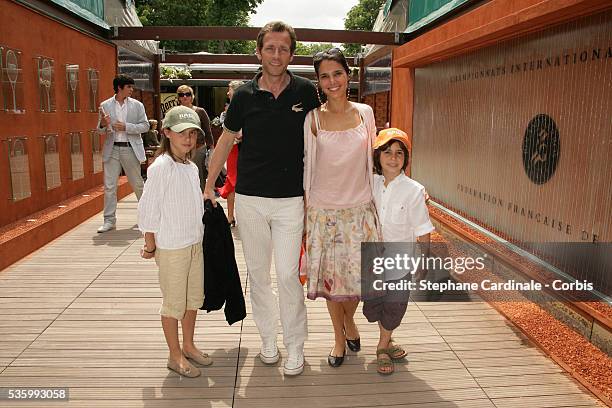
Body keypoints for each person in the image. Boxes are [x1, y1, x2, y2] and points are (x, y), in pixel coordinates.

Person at [203, 21, 319, 376]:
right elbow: (225, 140)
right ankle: (268, 339)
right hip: (251, 199)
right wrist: (209, 185)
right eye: (270, 48)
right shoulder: (243, 96)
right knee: (258, 273)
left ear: (291, 54)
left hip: (290, 201)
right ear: (259, 52)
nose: (276, 54)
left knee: (286, 274)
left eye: (283, 48)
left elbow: (319, 140)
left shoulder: (306, 91)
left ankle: (295, 345)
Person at [303, 48, 381, 368]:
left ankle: (350, 323)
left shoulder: (365, 113)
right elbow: (306, 166)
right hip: (325, 213)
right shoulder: (313, 118)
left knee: (360, 283)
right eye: (324, 76)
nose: (332, 81)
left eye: (337, 73)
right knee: (333, 284)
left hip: (361, 210)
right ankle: (339, 338)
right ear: (318, 82)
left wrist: (403, 191)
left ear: (348, 74)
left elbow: (376, 162)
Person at [137, 105, 212, 378]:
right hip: (172, 247)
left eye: (193, 133)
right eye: (181, 133)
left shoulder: (191, 167)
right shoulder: (161, 167)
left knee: (193, 299)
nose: (188, 139)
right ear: (167, 133)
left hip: (194, 244)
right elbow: (148, 210)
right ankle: (174, 354)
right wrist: (150, 244)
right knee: (173, 303)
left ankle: (189, 345)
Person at [366, 127, 434, 375]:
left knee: (395, 305)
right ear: (377, 157)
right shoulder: (368, 183)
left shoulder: (414, 190)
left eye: (399, 153)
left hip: (399, 262)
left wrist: (424, 259)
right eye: (387, 152)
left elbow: (422, 227)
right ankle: (389, 338)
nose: (393, 158)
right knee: (372, 307)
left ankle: (382, 347)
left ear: (405, 159)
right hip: (371, 261)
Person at [97, 74, 149, 233]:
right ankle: (109, 221)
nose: (131, 90)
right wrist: (103, 124)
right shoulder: (105, 105)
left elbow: (145, 126)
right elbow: (99, 131)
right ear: (119, 88)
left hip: (130, 148)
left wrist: (126, 127)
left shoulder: (137, 105)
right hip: (112, 148)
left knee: (138, 184)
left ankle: (147, 217)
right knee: (110, 186)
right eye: (129, 87)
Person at [176, 85, 214, 191]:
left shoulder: (200, 111)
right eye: (181, 94)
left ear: (192, 96)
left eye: (187, 94)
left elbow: (208, 131)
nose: (184, 97)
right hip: (179, 149)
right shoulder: (175, 112)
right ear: (178, 97)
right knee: (181, 176)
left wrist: (211, 150)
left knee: (198, 176)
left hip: (198, 148)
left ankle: (200, 201)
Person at [218, 80, 245, 227]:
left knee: (236, 182)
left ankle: (233, 217)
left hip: (241, 149)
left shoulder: (244, 107)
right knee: (232, 181)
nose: (228, 93)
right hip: (233, 150)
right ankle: (230, 216)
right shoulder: (229, 109)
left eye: (230, 90)